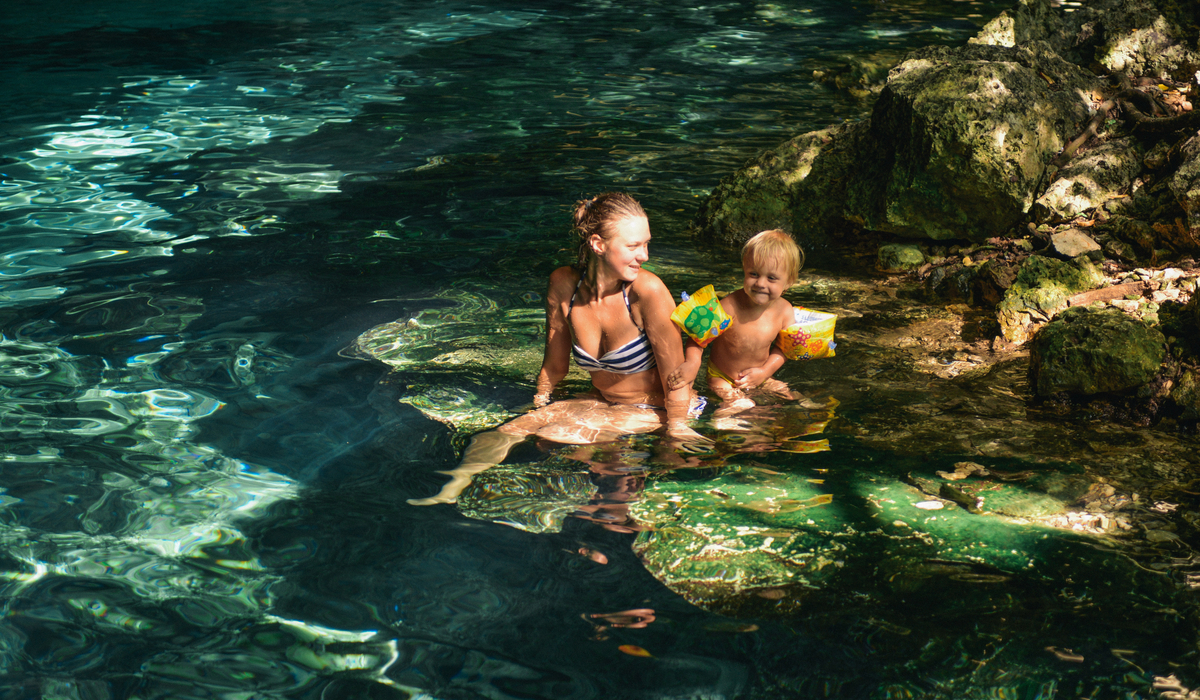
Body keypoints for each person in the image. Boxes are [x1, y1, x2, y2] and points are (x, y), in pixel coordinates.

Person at [408, 192, 706, 506]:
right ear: (598, 244)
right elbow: (554, 366)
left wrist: (677, 432)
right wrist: (540, 402)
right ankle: (455, 484)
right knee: (509, 430)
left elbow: (678, 378)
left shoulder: (648, 291)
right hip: (606, 402)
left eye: (646, 244)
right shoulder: (564, 284)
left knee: (560, 434)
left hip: (662, 409)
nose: (644, 255)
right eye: (633, 246)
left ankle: (578, 503)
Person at [668, 229, 804, 410]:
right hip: (721, 376)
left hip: (758, 376)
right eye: (754, 274)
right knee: (739, 403)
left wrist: (764, 372)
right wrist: (693, 363)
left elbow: (786, 348)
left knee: (791, 396)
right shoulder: (729, 306)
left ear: (788, 282)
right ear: (744, 271)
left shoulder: (785, 311)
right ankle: (723, 417)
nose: (761, 283)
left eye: (771, 278)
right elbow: (698, 337)